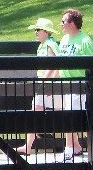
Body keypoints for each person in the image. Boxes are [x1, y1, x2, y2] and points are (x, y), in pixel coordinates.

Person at [15, 18, 60, 155]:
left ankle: (78, 144)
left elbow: (54, 64)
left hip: (51, 86)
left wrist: (45, 82)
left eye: (38, 30)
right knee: (36, 112)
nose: (35, 32)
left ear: (46, 32)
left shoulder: (49, 45)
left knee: (68, 114)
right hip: (47, 85)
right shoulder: (44, 45)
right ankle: (28, 146)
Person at [57, 9, 93, 161]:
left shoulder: (85, 41)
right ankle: (76, 147)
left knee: (72, 118)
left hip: (79, 86)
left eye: (63, 21)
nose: (61, 24)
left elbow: (92, 65)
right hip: (65, 85)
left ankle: (70, 149)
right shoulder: (64, 40)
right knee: (71, 117)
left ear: (72, 23)